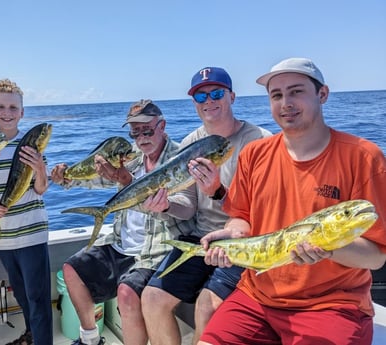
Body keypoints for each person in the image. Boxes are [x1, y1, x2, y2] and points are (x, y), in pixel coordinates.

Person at [197, 57, 386, 345]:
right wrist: (232, 234)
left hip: (331, 305)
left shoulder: (364, 156)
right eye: (277, 95)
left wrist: (327, 249)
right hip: (256, 297)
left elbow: (376, 256)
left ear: (322, 94)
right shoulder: (253, 154)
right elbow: (241, 218)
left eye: (296, 91)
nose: (285, 102)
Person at [140, 67, 272, 345]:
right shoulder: (189, 144)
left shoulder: (261, 141)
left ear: (232, 97)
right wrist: (164, 207)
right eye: (201, 97)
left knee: (207, 306)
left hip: (244, 241)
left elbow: (265, 211)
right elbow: (187, 207)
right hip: (201, 239)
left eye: (216, 93)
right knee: (151, 297)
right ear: (194, 104)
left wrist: (218, 192)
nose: (209, 101)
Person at [51, 99, 180, 345]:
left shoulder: (177, 159)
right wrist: (65, 178)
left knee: (126, 293)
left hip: (155, 250)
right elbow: (99, 178)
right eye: (135, 131)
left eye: (147, 129)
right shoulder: (131, 156)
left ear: (162, 125)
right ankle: (90, 339)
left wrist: (127, 182)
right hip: (120, 244)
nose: (141, 137)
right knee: (71, 269)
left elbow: (180, 206)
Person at [0, 79, 52, 345]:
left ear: (22, 112)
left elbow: (41, 189)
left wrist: (39, 168)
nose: (7, 113)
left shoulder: (32, 145)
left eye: (13, 108)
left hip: (32, 235)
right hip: (3, 238)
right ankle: (32, 335)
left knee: (38, 298)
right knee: (21, 295)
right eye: (1, 107)